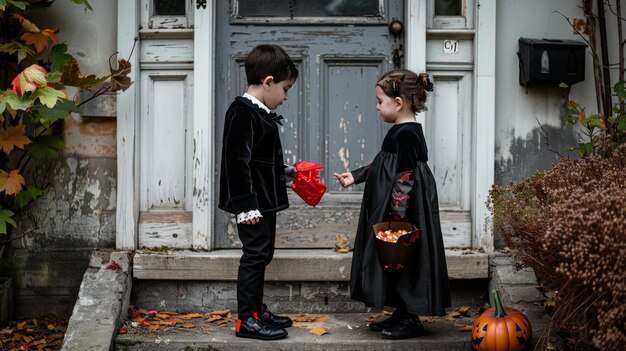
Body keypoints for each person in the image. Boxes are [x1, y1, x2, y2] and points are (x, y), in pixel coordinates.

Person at [333, 69, 451, 339]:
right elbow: (385, 162)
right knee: (394, 261)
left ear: (398, 103)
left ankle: (410, 319)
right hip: (394, 206)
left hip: (404, 210)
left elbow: (406, 174)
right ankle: (400, 311)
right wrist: (357, 176)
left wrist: (398, 215)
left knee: (404, 260)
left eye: (380, 101)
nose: (376, 107)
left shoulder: (408, 133)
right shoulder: (401, 131)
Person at [218, 44, 298, 341]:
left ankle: (256, 309)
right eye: (285, 88)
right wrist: (245, 205)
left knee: (263, 253)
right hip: (252, 203)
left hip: (264, 200)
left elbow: (259, 159)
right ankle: (246, 320)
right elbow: (236, 160)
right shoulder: (242, 112)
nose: (285, 96)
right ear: (268, 82)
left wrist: (285, 172)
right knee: (254, 255)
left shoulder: (258, 112)